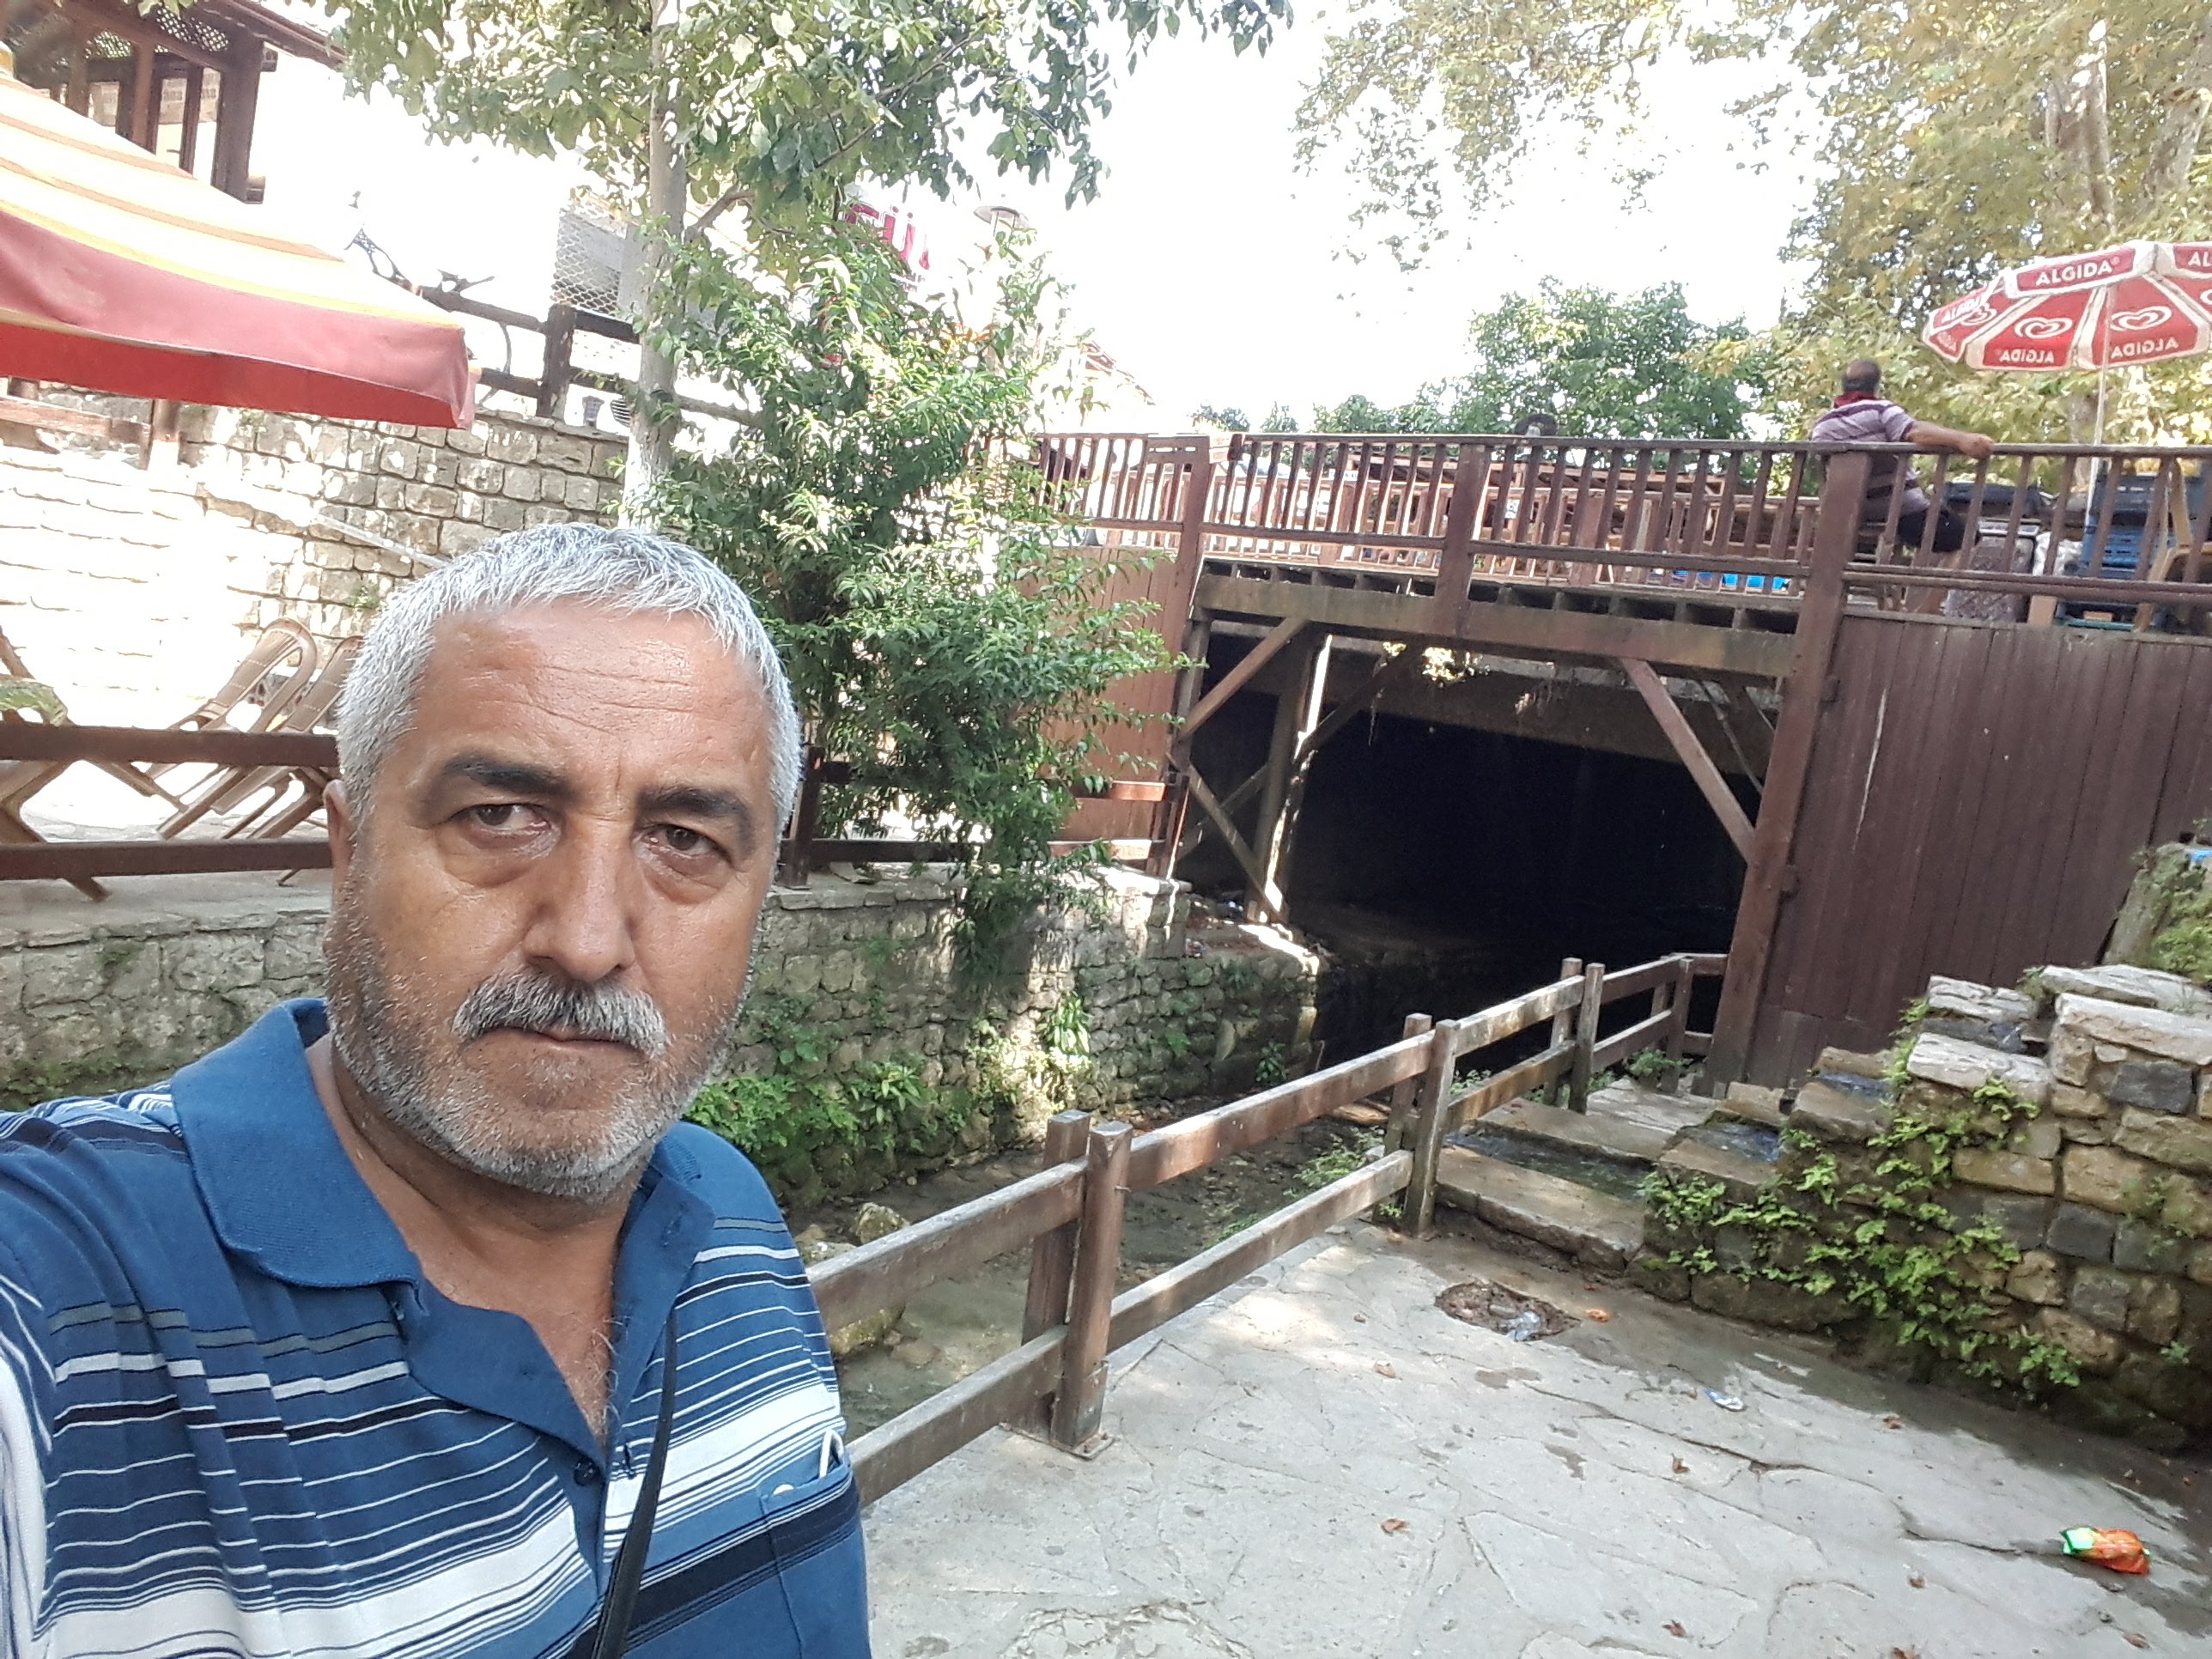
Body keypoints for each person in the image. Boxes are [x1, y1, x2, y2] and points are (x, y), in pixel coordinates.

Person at [0, 527, 872, 1656]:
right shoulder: (66, 1300)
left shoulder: (731, 1219)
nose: (587, 940)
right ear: (349, 850)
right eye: (500, 816)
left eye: (683, 838)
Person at [1809, 358, 1996, 553]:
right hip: (1901, 511)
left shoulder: (1823, 425)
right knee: (1968, 537)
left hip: (1846, 516)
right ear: (1876, 386)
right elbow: (1913, 432)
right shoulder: (1881, 410)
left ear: (1843, 386)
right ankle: (1933, 575)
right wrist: (1962, 440)